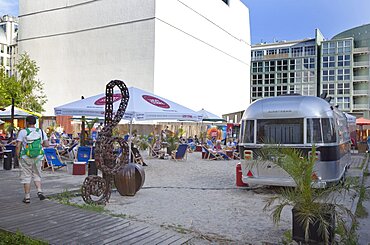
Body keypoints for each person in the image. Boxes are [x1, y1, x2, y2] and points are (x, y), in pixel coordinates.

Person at [16, 116, 49, 204]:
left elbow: (18, 146)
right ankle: (39, 191)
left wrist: (18, 156)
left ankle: (27, 197)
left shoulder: (23, 132)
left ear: (27, 122)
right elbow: (46, 144)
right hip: (38, 157)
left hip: (25, 157)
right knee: (37, 174)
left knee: (26, 176)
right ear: (35, 123)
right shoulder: (41, 132)